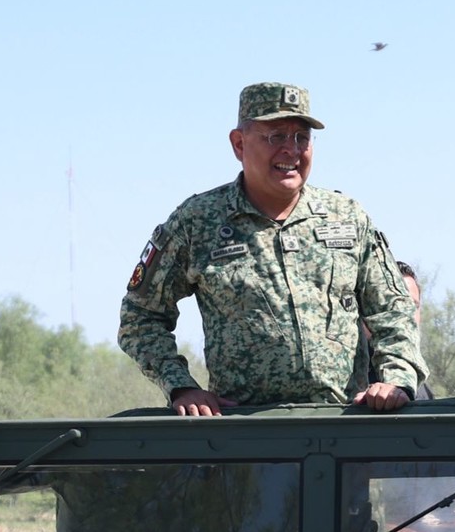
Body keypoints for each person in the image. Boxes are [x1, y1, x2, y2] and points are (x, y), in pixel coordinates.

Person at [119, 82, 426, 415]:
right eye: (276, 137)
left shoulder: (346, 216)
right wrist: (180, 386)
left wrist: (396, 379)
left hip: (344, 428)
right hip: (248, 436)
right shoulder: (198, 221)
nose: (291, 151)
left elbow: (393, 309)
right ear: (239, 144)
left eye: (301, 138)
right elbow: (141, 316)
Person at [394, 261, 435, 400]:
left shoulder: (421, 388)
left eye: (413, 306)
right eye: (397, 305)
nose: (407, 315)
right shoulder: (351, 379)